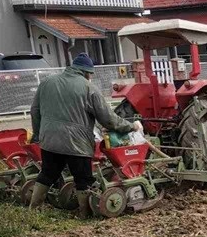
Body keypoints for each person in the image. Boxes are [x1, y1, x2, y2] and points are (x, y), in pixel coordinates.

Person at [29, 53, 142, 218]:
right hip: (76, 143)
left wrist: (39, 135)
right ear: (87, 72)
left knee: (47, 173)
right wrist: (132, 126)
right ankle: (84, 214)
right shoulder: (89, 89)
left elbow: (35, 111)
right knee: (83, 179)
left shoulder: (47, 82)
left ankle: (34, 209)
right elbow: (109, 120)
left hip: (50, 141)